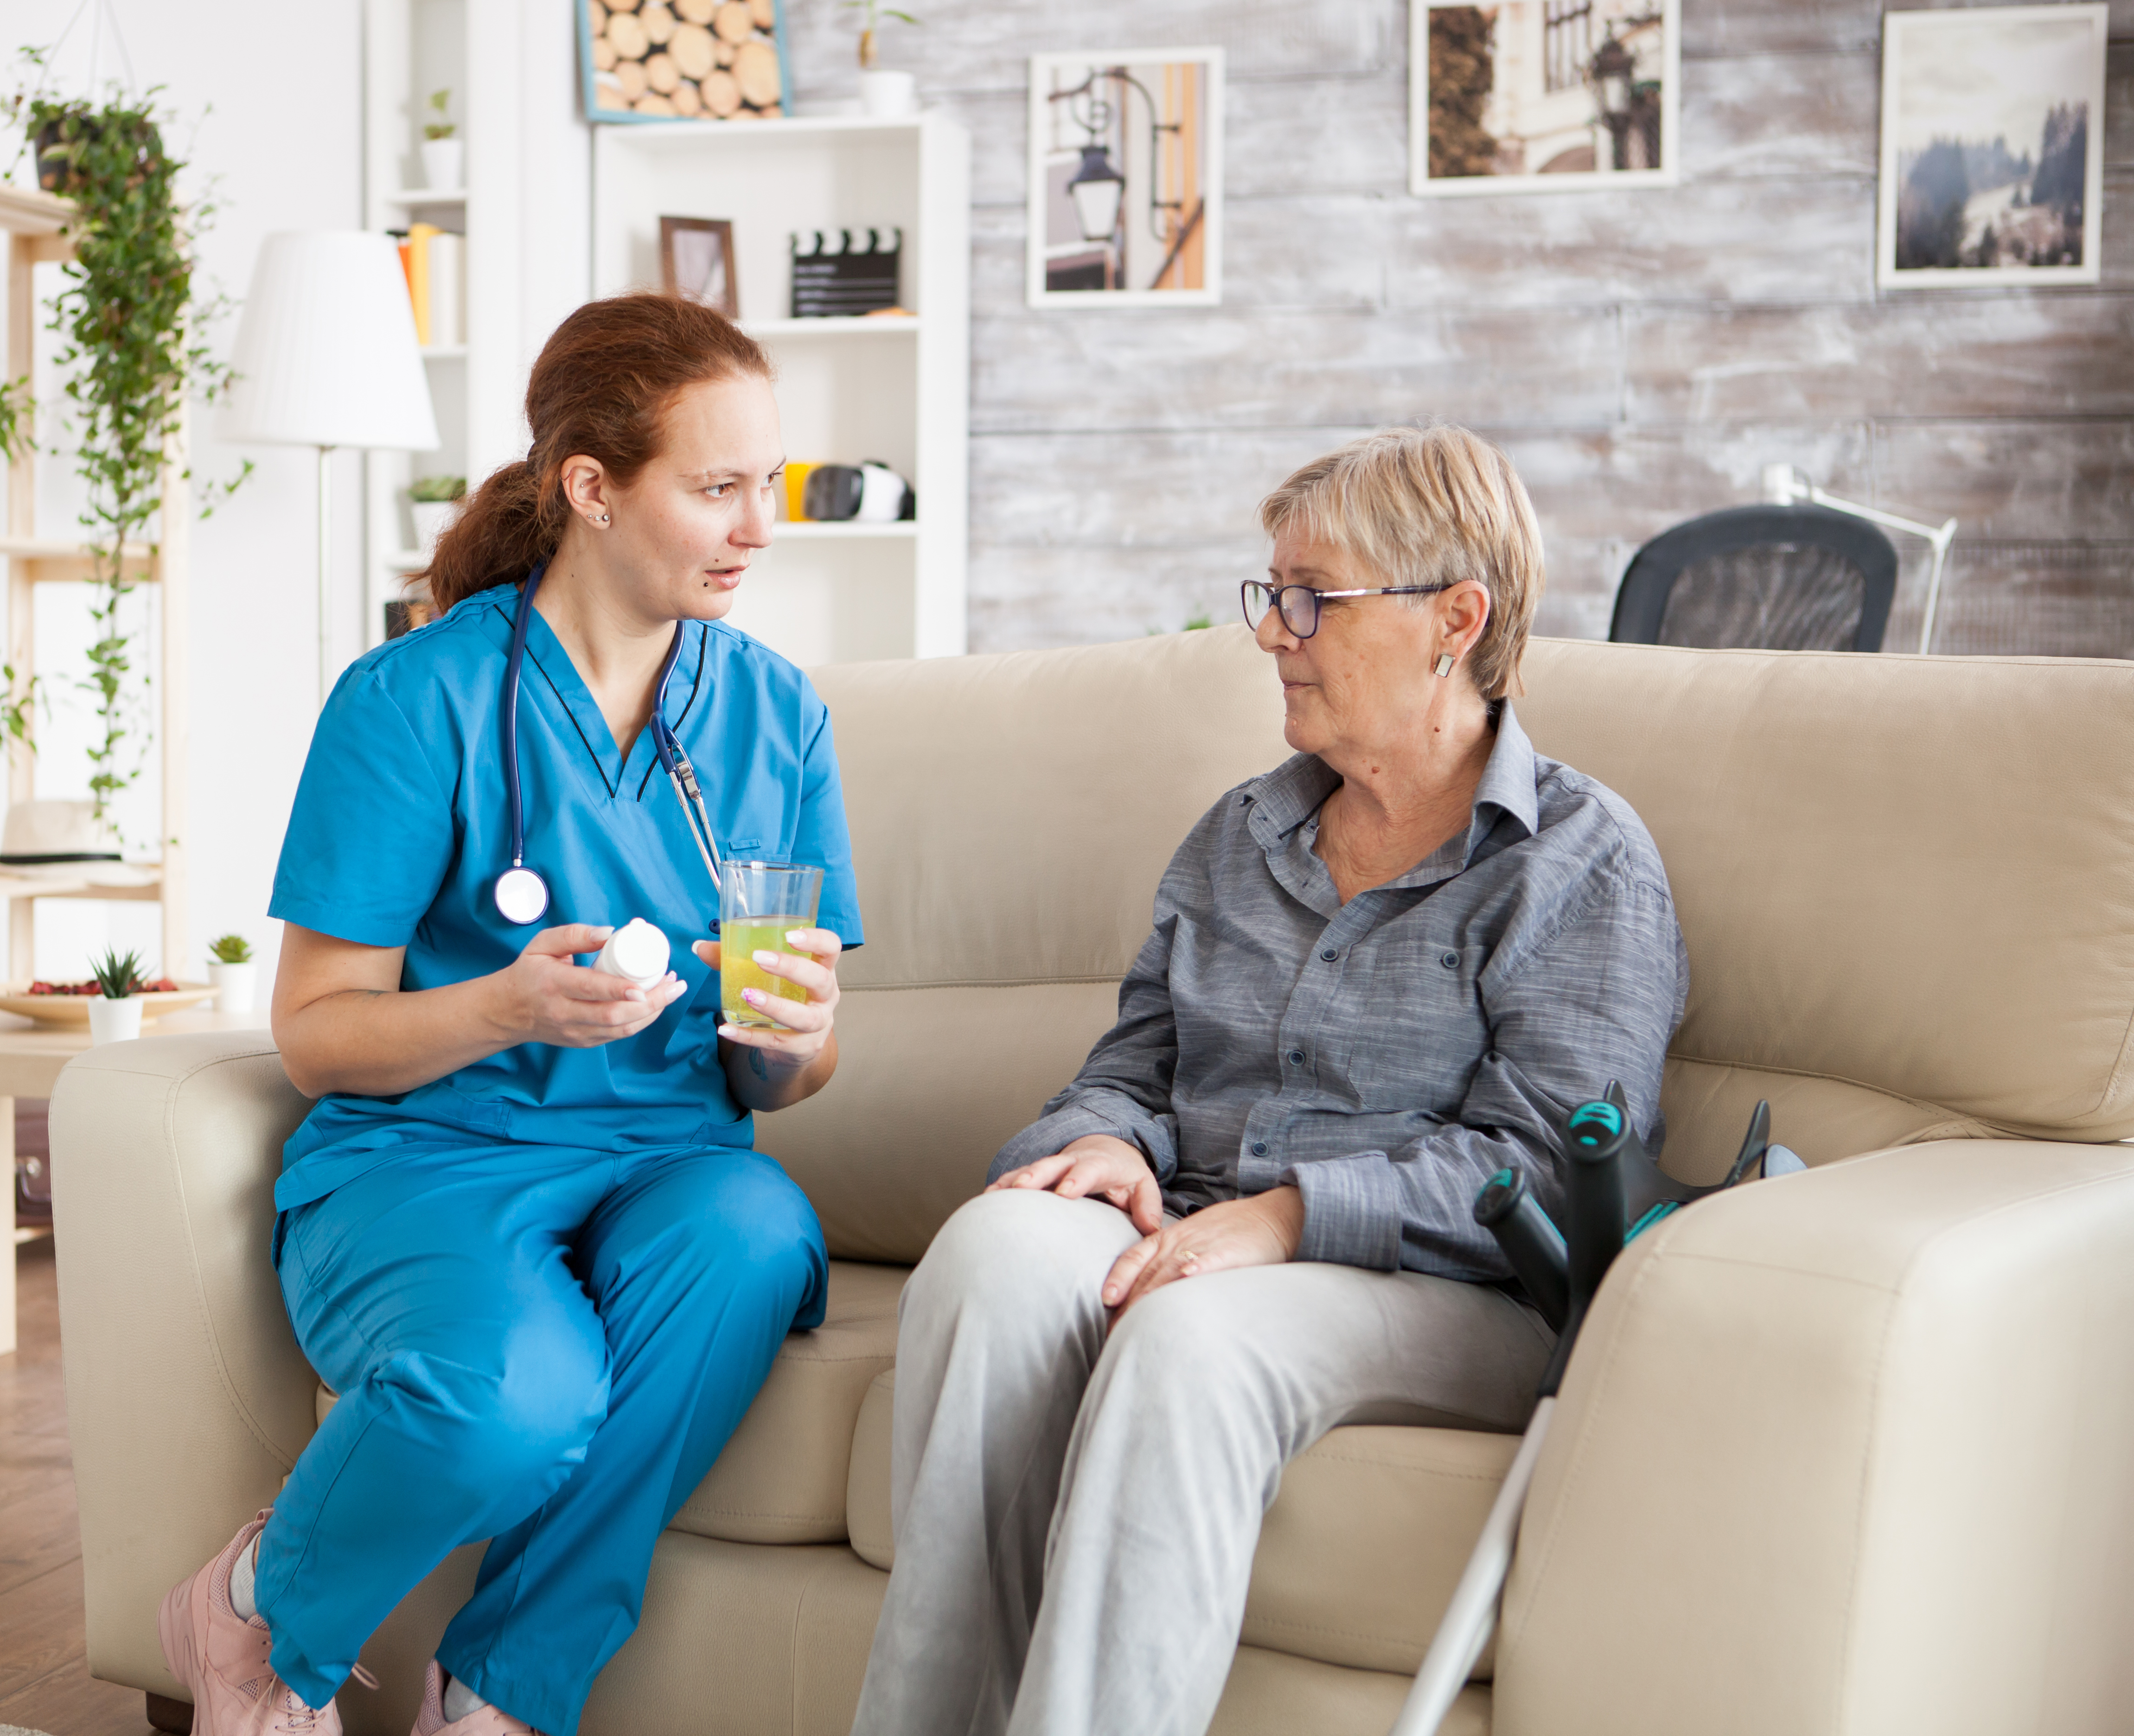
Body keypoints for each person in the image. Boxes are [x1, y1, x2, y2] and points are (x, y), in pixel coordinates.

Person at [851, 425, 1689, 1736]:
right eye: (1271, 595)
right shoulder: (1243, 835)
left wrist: (1291, 1217)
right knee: (995, 1254)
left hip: (1449, 1287)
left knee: (1190, 1340)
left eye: (1313, 599)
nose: (1271, 632)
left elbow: (1538, 1162)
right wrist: (1108, 1142)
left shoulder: (1577, 859)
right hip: (1196, 1229)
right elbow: (1133, 1065)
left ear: (1453, 619)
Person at [159, 294, 862, 1736]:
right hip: (430, 1160)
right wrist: (505, 1006)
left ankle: (499, 1700)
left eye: (768, 485)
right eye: (717, 488)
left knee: (753, 1234)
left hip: (671, 1160)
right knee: (514, 1403)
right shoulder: (413, 703)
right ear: (593, 488)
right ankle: (254, 1619)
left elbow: (793, 1075)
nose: (759, 526)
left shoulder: (774, 713)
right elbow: (315, 1030)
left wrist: (791, 1037)